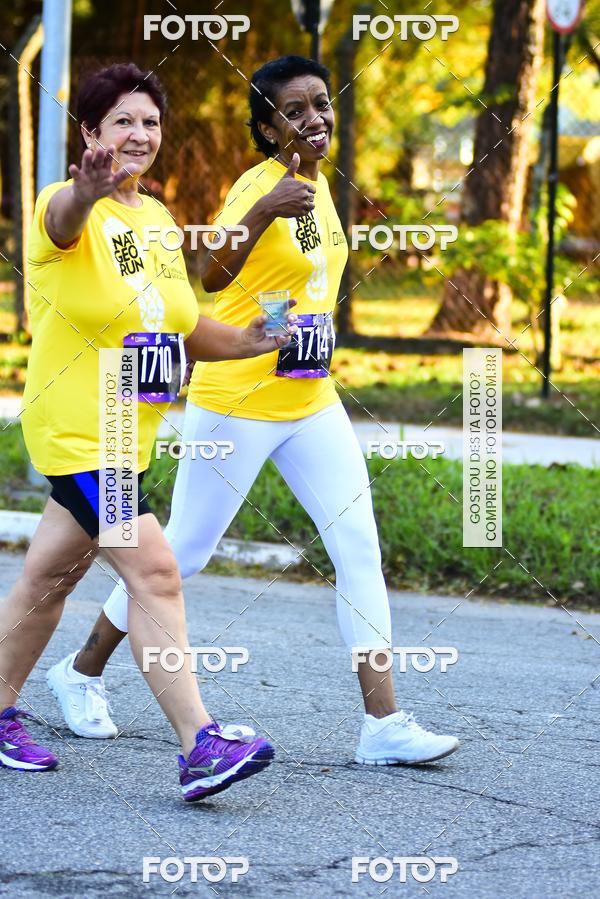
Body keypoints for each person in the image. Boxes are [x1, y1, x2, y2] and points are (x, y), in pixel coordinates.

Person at [48, 56, 459, 766]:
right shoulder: (260, 185)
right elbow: (213, 274)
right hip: (236, 401)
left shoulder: (322, 185)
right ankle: (80, 670)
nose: (314, 120)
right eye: (294, 112)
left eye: (322, 106)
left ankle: (383, 722)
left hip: (312, 400)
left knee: (358, 546)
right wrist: (263, 211)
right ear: (267, 128)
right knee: (184, 552)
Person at [0, 64, 298, 801]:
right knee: (156, 568)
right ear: (91, 134)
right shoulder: (67, 208)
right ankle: (201, 742)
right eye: (122, 122)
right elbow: (64, 216)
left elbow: (187, 326)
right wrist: (86, 190)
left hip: (127, 435)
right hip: (77, 429)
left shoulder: (159, 221)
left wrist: (260, 338)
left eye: (151, 122)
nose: (139, 135)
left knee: (47, 579)